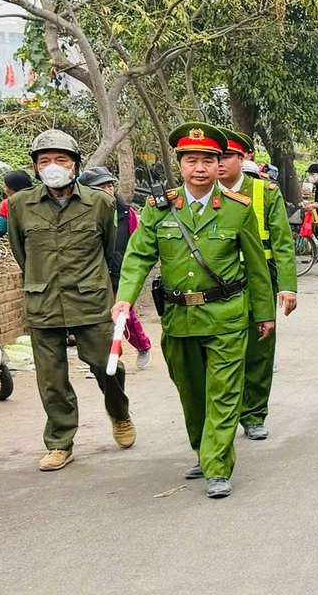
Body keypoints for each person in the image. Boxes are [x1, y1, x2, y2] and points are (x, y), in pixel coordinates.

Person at [113, 123, 275, 499]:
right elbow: (138, 256)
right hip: (179, 317)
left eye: (208, 160)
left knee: (223, 391)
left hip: (228, 315)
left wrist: (263, 313)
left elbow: (254, 265)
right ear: (180, 164)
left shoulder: (238, 210)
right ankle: (204, 449)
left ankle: (218, 466)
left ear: (220, 164)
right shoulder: (159, 209)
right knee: (191, 391)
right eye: (191, 160)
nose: (199, 168)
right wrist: (125, 297)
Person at [3, 129, 135, 471]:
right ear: (34, 168)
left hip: (90, 300)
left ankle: (119, 414)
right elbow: (22, 252)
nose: (53, 166)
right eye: (44, 161)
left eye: (61, 160)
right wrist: (41, 279)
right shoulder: (20, 205)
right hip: (42, 302)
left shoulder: (100, 203)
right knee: (51, 379)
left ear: (75, 165)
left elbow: (110, 250)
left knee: (108, 367)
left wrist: (99, 284)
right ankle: (61, 442)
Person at [218, 131, 298, 441]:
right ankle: (225, 412)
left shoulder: (265, 192)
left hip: (259, 276)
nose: (219, 164)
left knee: (259, 348)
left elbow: (282, 241)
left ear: (244, 159)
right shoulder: (201, 192)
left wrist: (288, 286)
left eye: (226, 157)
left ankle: (253, 413)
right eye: (216, 157)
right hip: (218, 279)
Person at [78, 165, 152, 368]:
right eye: (100, 186)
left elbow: (138, 245)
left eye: (110, 185)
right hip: (92, 274)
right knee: (99, 320)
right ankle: (110, 357)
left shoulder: (127, 214)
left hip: (119, 272)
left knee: (124, 316)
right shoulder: (81, 216)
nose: (108, 190)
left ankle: (143, 345)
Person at [0, 167, 34, 245]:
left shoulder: (10, 204)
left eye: (5, 186)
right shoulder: (44, 197)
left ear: (10, 189)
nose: (4, 189)